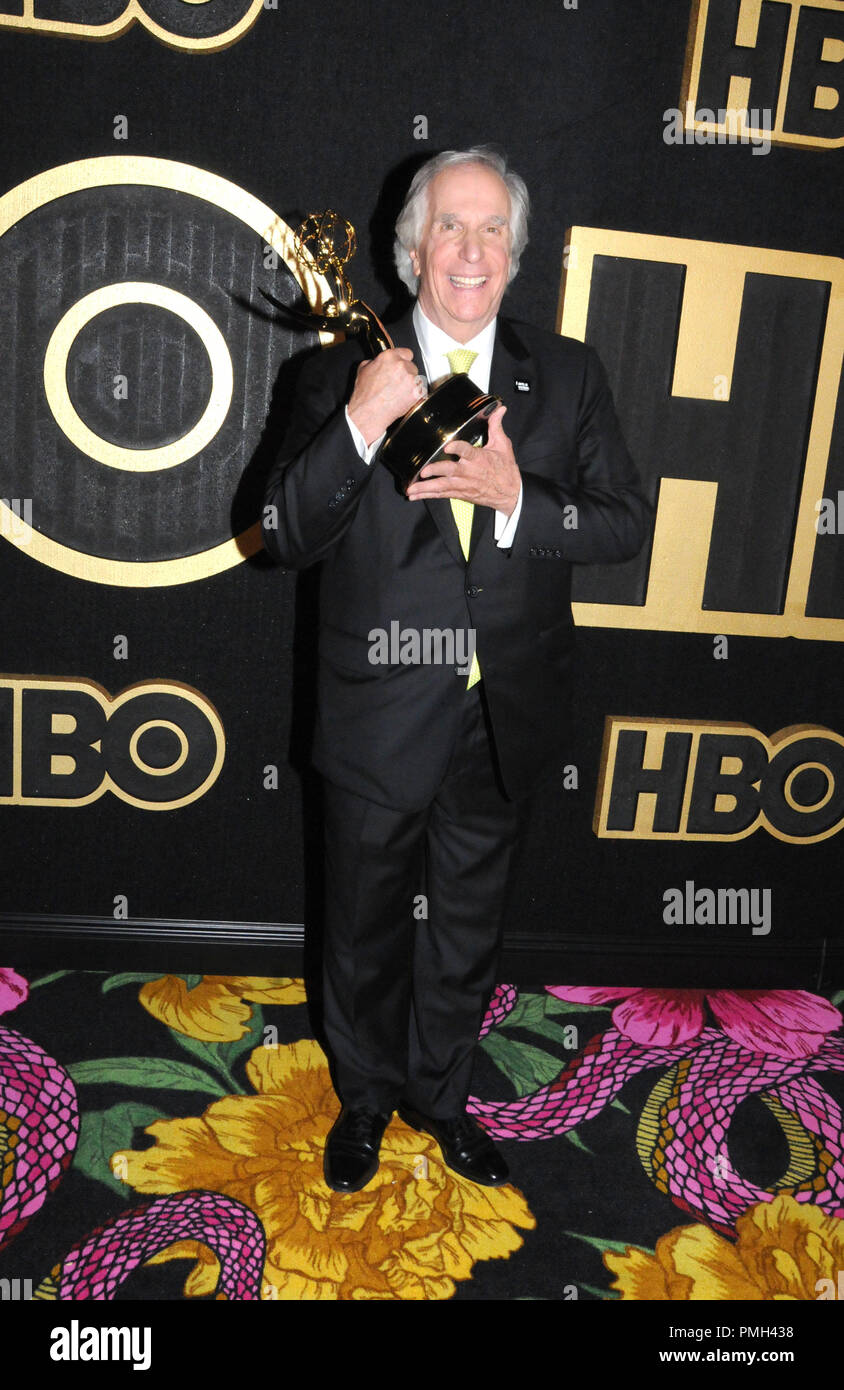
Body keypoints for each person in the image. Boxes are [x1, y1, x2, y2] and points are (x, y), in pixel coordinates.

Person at [262, 146, 650, 1193]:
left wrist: (518, 499)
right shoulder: (332, 377)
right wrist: (358, 422)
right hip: (376, 716)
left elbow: (626, 522)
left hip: (501, 721)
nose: (470, 251)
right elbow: (281, 532)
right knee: (360, 932)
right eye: (449, 227)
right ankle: (367, 1099)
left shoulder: (566, 373)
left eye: (492, 231)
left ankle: (439, 1098)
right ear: (411, 249)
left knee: (466, 935)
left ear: (515, 256)